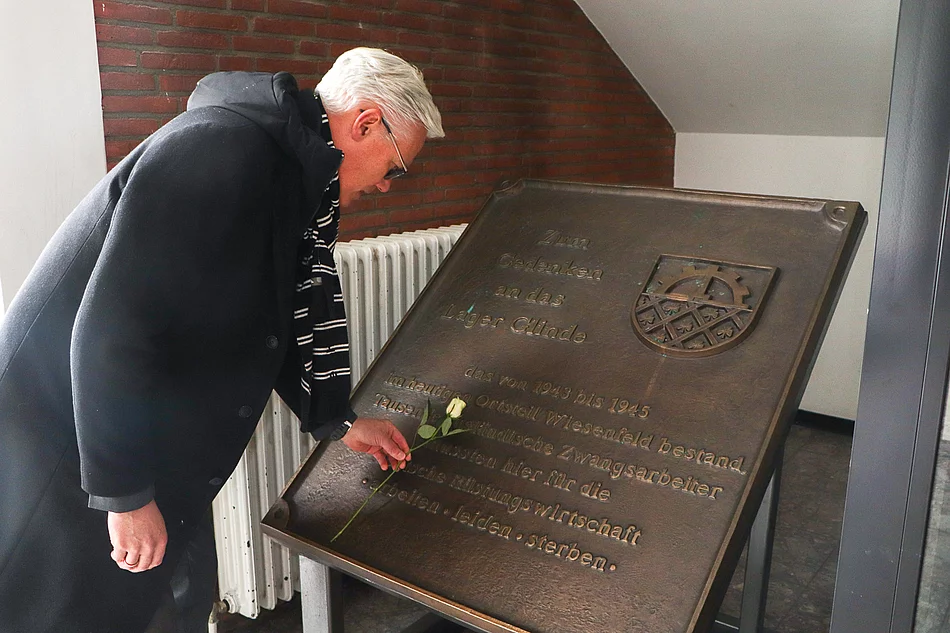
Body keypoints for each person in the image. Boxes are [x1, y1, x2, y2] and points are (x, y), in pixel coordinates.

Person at [0, 47, 443, 633]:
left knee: (170, 603)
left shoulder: (286, 172)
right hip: (69, 451)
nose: (389, 185)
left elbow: (272, 321)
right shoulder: (221, 149)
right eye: (396, 166)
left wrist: (339, 421)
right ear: (364, 124)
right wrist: (124, 496)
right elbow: (110, 328)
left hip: (142, 442)